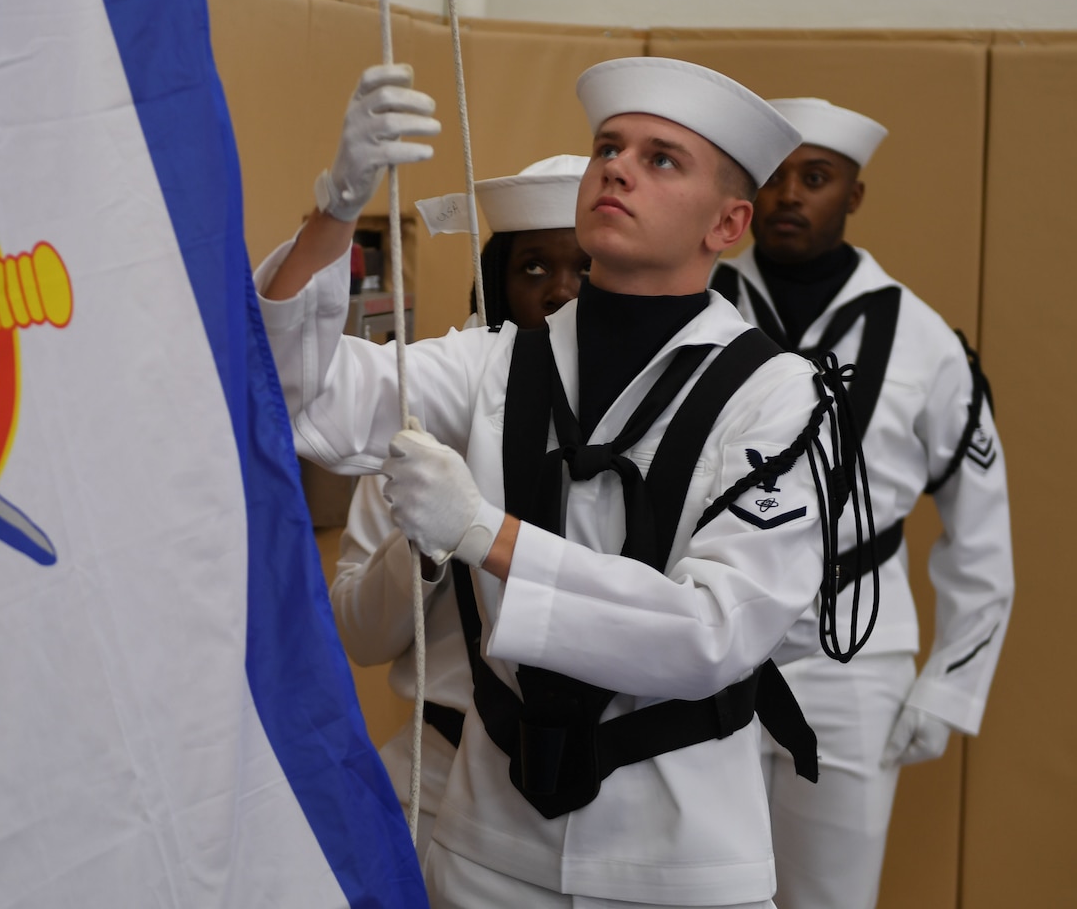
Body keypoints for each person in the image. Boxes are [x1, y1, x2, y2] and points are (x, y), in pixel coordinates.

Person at [260, 58, 859, 908]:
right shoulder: (494, 363)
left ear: (727, 223)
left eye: (661, 159)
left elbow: (712, 633)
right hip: (485, 850)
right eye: (608, 147)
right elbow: (292, 391)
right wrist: (336, 206)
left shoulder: (778, 396)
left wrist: (484, 534)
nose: (616, 165)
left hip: (678, 861)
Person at [710, 97, 1014, 909]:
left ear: (853, 194)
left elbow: (981, 525)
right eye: (773, 178)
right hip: (706, 638)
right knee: (697, 885)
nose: (788, 197)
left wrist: (950, 682)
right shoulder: (696, 310)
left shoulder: (924, 341)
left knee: (830, 896)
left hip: (857, 652)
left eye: (816, 178)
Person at [331, 155, 591, 860]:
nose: (563, 292)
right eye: (534, 268)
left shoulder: (648, 427)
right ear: (496, 282)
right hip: (436, 775)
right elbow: (359, 633)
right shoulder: (424, 416)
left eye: (587, 269)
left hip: (600, 797)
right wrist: (426, 537)